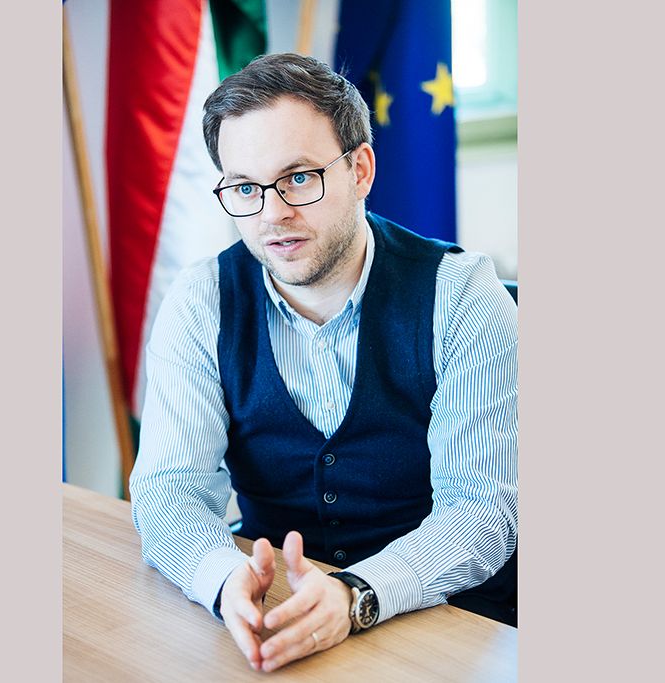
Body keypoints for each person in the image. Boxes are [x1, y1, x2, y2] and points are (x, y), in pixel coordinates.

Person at [129, 52, 517, 673]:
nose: (272, 214)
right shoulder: (201, 300)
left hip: (451, 625)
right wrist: (223, 578)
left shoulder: (463, 294)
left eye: (300, 177)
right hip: (282, 619)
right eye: (245, 187)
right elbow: (168, 488)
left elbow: (481, 513)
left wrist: (355, 594)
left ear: (360, 170)